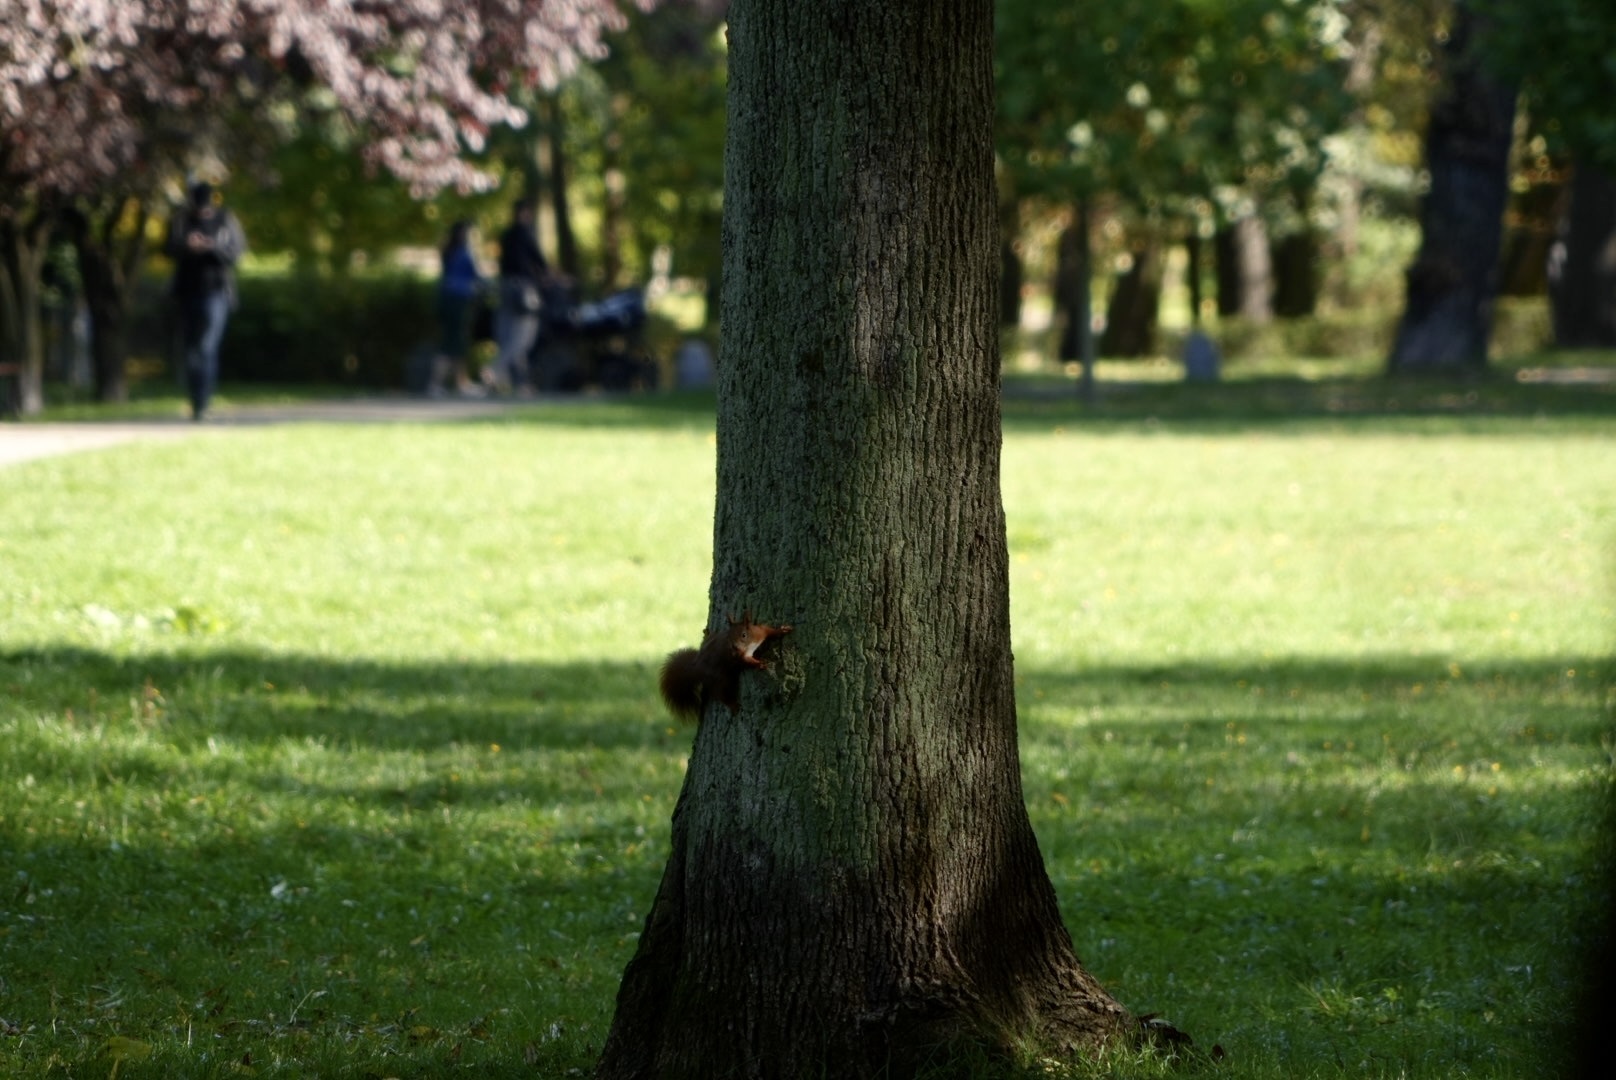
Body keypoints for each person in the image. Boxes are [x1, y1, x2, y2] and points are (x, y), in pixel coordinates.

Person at [165, 181, 246, 420]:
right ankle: (196, 401)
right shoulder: (181, 221)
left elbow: (236, 252)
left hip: (217, 293)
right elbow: (168, 248)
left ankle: (203, 401)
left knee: (206, 347)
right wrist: (188, 246)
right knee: (191, 349)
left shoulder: (224, 220)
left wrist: (211, 247)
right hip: (187, 292)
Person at [494, 199, 549, 395]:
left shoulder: (506, 235)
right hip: (524, 289)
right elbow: (539, 260)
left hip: (506, 286)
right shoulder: (526, 233)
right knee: (523, 335)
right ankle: (495, 370)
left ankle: (520, 384)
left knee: (508, 333)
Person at [432, 219, 484, 397]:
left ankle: (460, 381)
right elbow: (475, 276)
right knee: (453, 342)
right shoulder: (463, 253)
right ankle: (439, 383)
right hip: (458, 300)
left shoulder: (449, 251)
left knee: (453, 341)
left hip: (447, 299)